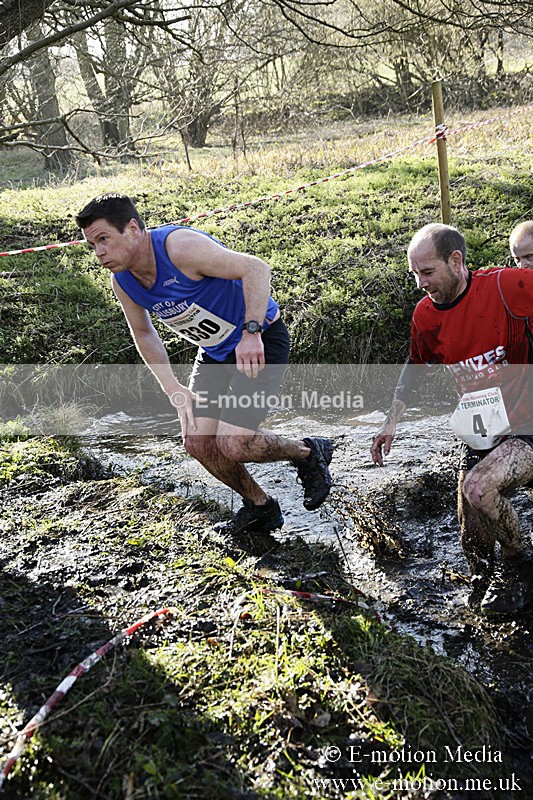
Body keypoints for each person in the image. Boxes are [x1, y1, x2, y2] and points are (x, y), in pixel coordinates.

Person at [75, 193, 333, 536]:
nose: (99, 253)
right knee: (197, 442)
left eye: (104, 239)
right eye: (92, 245)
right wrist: (173, 388)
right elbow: (144, 333)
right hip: (213, 352)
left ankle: (306, 451)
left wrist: (251, 331)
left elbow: (256, 269)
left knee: (235, 444)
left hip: (258, 340)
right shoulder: (122, 281)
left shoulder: (179, 249)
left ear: (133, 228)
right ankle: (261, 508)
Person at [371, 223, 533, 616]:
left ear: (455, 261)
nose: (420, 283)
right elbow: (417, 363)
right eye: (414, 274)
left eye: (427, 273)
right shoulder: (426, 316)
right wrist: (392, 417)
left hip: (527, 427)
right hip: (483, 433)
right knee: (472, 541)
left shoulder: (506, 287)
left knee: (479, 488)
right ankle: (485, 606)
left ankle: (520, 566)